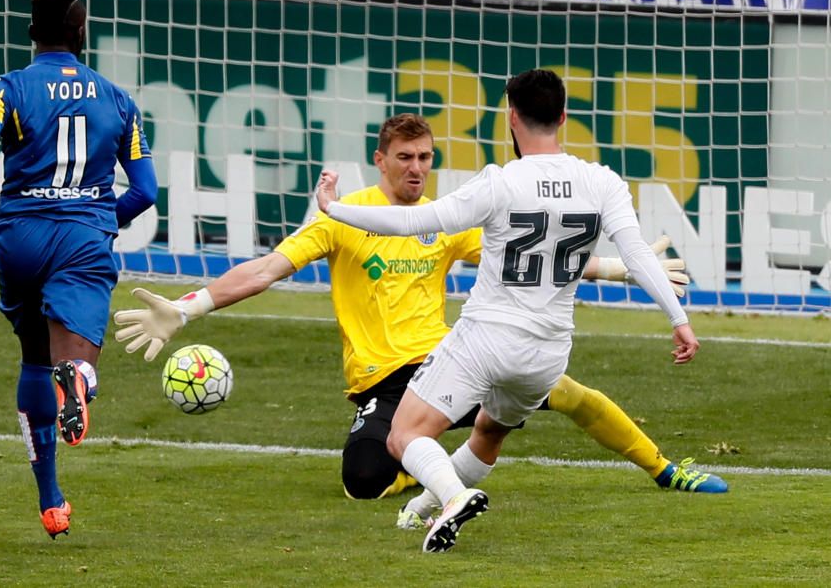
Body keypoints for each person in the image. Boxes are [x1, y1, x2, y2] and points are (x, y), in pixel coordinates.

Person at [114, 109, 725, 507]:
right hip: (380, 382)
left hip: (447, 360)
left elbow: (530, 253)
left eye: (426, 158)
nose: (416, 169)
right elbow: (266, 270)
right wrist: (188, 308)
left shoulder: (446, 220)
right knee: (360, 482)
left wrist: (620, 266)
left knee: (567, 393)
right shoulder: (345, 217)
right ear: (380, 161)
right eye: (405, 158)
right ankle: (434, 471)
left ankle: (665, 468)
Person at [312, 68, 701, 552]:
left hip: (487, 339)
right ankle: (420, 510)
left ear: (511, 118)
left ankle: (454, 497)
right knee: (488, 433)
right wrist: (679, 320)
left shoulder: (500, 182)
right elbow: (641, 256)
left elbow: (413, 219)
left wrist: (333, 206)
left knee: (404, 434)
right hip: (548, 356)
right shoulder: (601, 182)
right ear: (563, 116)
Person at [0, 0, 157, 539]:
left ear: (32, 30)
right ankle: (80, 378)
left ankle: (51, 500)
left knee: (34, 358)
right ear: (82, 30)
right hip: (82, 235)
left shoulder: (6, 88)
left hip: (18, 237)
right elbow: (146, 191)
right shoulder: (118, 100)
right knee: (74, 361)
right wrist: (103, 216)